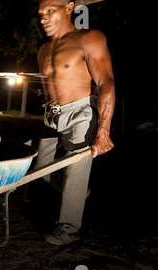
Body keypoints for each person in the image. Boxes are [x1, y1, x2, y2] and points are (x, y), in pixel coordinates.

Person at [35, 0, 115, 245]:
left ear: (68, 8)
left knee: (75, 172)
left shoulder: (89, 38)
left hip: (80, 112)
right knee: (40, 167)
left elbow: (106, 84)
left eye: (50, 11)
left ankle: (68, 230)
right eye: (40, 14)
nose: (43, 19)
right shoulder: (42, 50)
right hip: (51, 115)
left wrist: (104, 131)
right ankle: (77, 192)